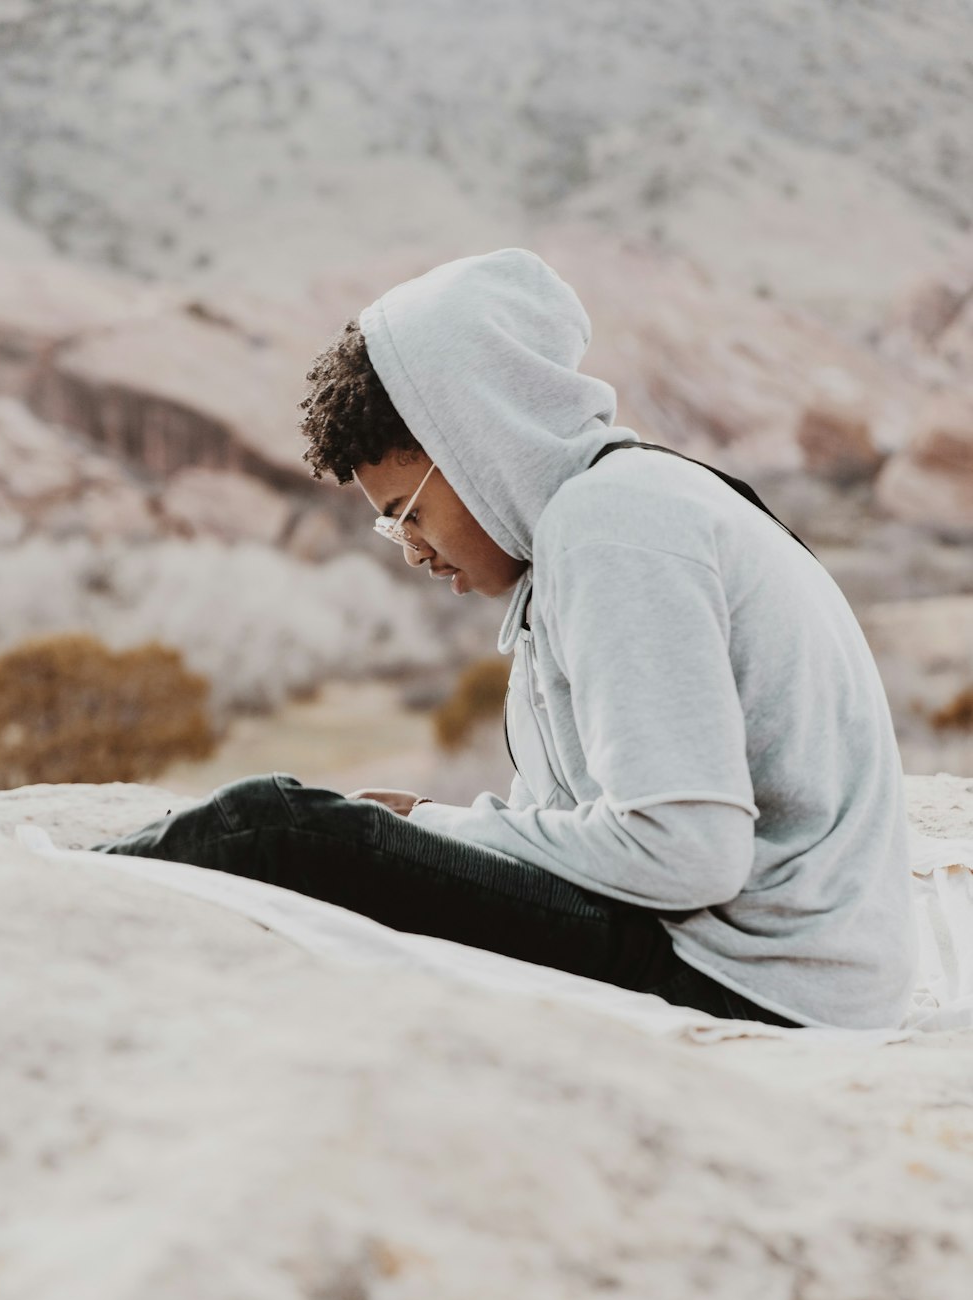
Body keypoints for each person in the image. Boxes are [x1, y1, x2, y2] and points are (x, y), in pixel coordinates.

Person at [92, 247, 918, 1030]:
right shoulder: (609, 516)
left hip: (752, 979)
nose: (413, 548)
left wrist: (442, 832)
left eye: (409, 511)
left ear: (482, 444)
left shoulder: (614, 527)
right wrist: (429, 824)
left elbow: (689, 854)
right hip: (772, 964)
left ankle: (66, 886)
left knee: (274, 827)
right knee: (324, 829)